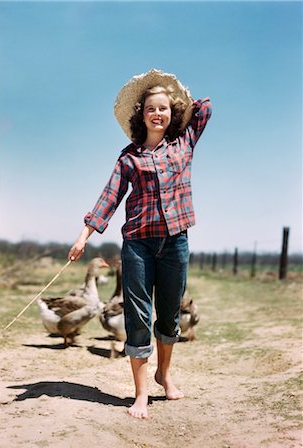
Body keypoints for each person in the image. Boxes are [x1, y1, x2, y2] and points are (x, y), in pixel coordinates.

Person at [68, 68, 212, 419]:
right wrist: (84, 234)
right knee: (138, 315)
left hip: (176, 242)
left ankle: (164, 374)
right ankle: (142, 393)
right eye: (151, 108)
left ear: (172, 112)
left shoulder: (184, 143)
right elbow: (109, 197)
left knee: (169, 314)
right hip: (138, 245)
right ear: (141, 114)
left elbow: (205, 108)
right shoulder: (128, 157)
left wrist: (174, 95)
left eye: (164, 108)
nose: (158, 114)